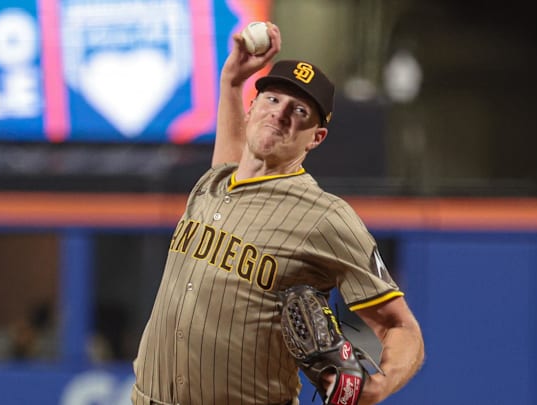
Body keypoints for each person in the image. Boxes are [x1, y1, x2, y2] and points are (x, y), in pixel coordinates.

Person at [132, 22, 424, 405]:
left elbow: (400, 326)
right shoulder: (214, 183)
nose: (280, 113)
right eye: (272, 99)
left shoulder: (326, 217)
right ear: (252, 108)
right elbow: (234, 157)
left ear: (316, 137)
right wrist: (231, 82)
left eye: (300, 110)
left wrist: (379, 385)